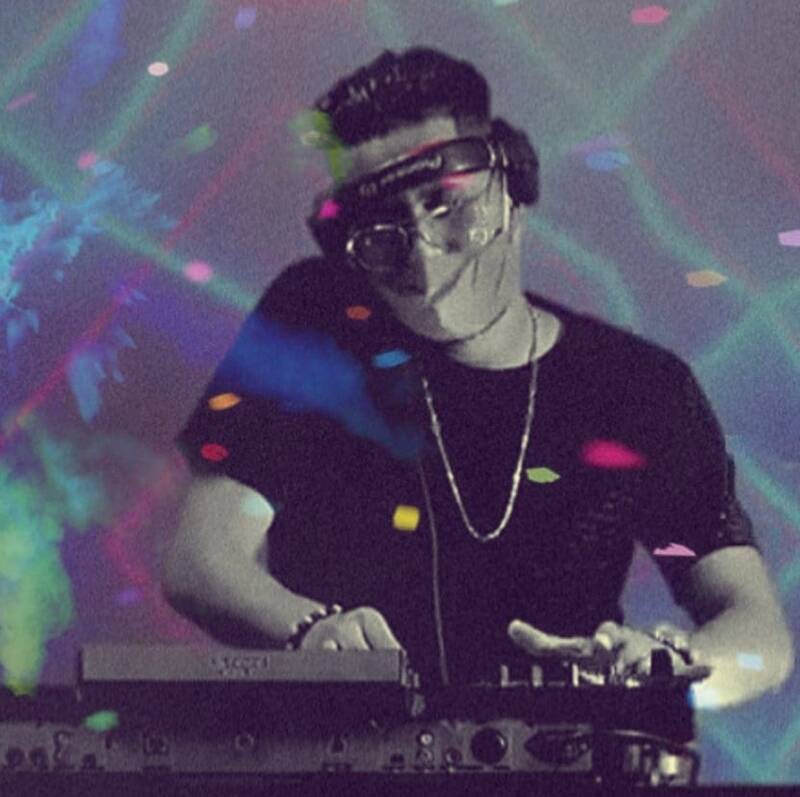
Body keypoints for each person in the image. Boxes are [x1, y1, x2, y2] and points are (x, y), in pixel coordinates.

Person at [161, 48, 794, 742]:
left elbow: (757, 633)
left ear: (512, 188)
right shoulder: (316, 321)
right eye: (385, 233)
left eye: (447, 204)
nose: (425, 257)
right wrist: (311, 629)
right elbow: (202, 561)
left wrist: (674, 666)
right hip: (344, 755)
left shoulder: (637, 388)